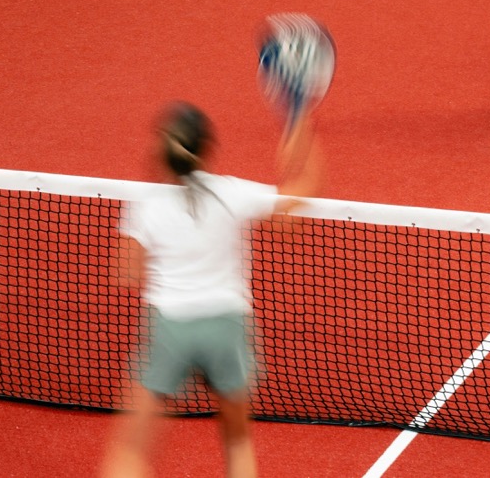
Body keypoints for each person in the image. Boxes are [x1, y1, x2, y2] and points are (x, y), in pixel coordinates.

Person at [101, 102, 323, 478]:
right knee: (237, 442)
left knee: (130, 449)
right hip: (227, 328)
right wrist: (305, 138)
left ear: (164, 152)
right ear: (206, 149)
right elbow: (298, 205)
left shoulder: (145, 208)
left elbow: (125, 274)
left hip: (170, 329)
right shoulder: (233, 194)